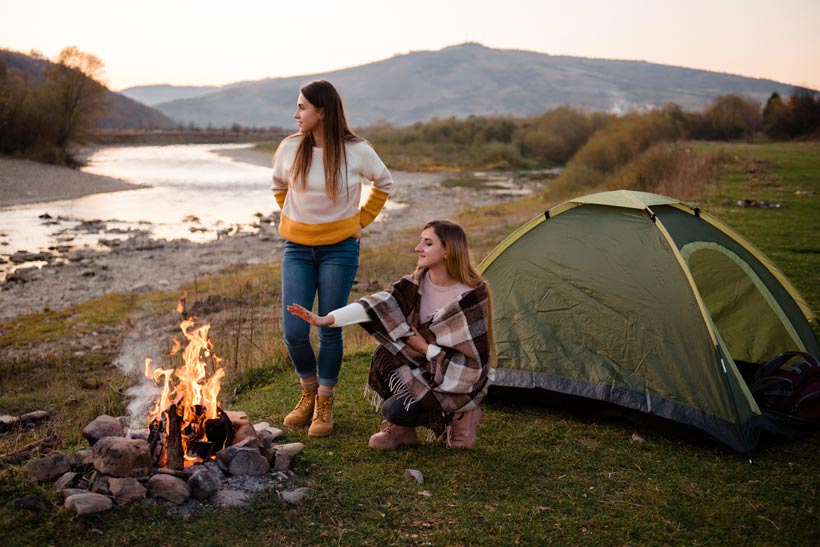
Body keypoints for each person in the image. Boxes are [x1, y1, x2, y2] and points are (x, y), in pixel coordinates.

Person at [288, 219, 495, 449]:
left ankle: (462, 416)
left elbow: (473, 365)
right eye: (420, 242)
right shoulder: (415, 284)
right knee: (384, 355)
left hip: (460, 380)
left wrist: (424, 348)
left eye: (427, 243)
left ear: (447, 251)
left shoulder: (472, 297)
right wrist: (326, 319)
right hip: (425, 368)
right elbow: (374, 304)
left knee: (394, 409)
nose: (418, 248)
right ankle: (403, 432)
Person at [272, 80, 394, 437]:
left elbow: (384, 183)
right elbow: (279, 186)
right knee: (294, 333)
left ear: (322, 111)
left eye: (302, 108)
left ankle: (325, 403)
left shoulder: (356, 150)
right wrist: (295, 218)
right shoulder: (290, 147)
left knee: (329, 326)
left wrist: (361, 220)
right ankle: (308, 392)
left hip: (340, 249)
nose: (296, 114)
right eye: (297, 107)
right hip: (296, 249)